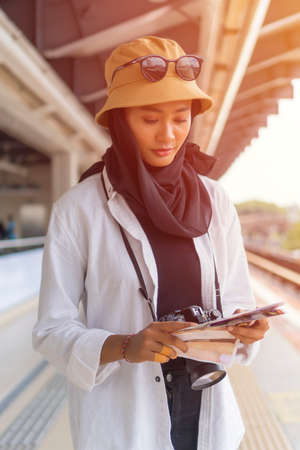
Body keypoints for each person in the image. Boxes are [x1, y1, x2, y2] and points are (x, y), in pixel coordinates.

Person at [32, 36, 269, 450]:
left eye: (181, 117)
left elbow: (235, 301)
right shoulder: (79, 209)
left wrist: (244, 327)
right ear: (120, 121)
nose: (169, 135)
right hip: (125, 419)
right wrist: (126, 345)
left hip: (207, 406)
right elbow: (51, 330)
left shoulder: (216, 200)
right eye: (150, 118)